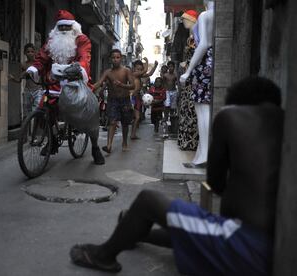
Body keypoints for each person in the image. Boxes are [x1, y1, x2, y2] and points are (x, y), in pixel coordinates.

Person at [69, 76, 283, 275]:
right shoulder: (286, 122)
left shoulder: (231, 116)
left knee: (148, 201)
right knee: (199, 226)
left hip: (250, 249)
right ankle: (136, 230)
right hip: (273, 246)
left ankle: (104, 255)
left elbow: (216, 184)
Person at [25, 10, 105, 165]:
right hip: (54, 84)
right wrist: (33, 69)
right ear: (57, 29)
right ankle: (53, 139)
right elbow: (41, 58)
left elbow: (84, 57)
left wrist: (79, 68)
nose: (63, 31)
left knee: (90, 114)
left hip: (76, 84)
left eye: (66, 28)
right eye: (60, 28)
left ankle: (95, 147)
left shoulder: (82, 40)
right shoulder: (51, 41)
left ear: (73, 28)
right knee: (43, 109)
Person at [180, 0, 214, 167]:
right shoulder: (219, 16)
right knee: (205, 108)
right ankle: (202, 152)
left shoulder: (205, 15)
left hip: (204, 62)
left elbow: (204, 44)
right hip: (213, 61)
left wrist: (188, 71)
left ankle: (204, 155)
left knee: (202, 110)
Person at [93, 49, 135, 153]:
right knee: (112, 122)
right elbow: (99, 82)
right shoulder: (107, 72)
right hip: (112, 100)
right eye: (113, 58)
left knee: (125, 123)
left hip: (125, 100)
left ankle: (124, 142)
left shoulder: (126, 71)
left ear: (121, 58)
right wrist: (89, 88)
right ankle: (109, 145)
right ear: (110, 59)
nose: (115, 59)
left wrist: (122, 85)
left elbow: (133, 85)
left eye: (117, 57)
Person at [177, 10, 200, 151]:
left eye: (186, 19)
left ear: (192, 20)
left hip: (193, 78)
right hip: (188, 77)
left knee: (191, 109)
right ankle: (186, 141)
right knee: (186, 108)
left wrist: (188, 65)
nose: (184, 22)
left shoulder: (196, 38)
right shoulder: (190, 38)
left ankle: (192, 142)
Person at [9, 43, 43, 117]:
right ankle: (27, 128)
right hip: (27, 90)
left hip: (38, 90)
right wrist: (13, 79)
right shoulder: (23, 64)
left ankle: (36, 128)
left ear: (35, 53)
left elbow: (42, 76)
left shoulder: (38, 63)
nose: (30, 53)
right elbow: (20, 80)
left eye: (32, 51)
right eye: (28, 52)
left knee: (37, 113)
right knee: (26, 114)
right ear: (25, 53)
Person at [130, 58, 158, 140]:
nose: (139, 71)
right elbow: (146, 71)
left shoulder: (139, 76)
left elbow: (150, 74)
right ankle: (132, 133)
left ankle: (133, 134)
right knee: (134, 117)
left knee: (137, 118)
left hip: (137, 97)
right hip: (132, 97)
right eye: (137, 69)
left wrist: (155, 66)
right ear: (134, 68)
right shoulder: (134, 74)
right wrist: (147, 62)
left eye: (140, 69)